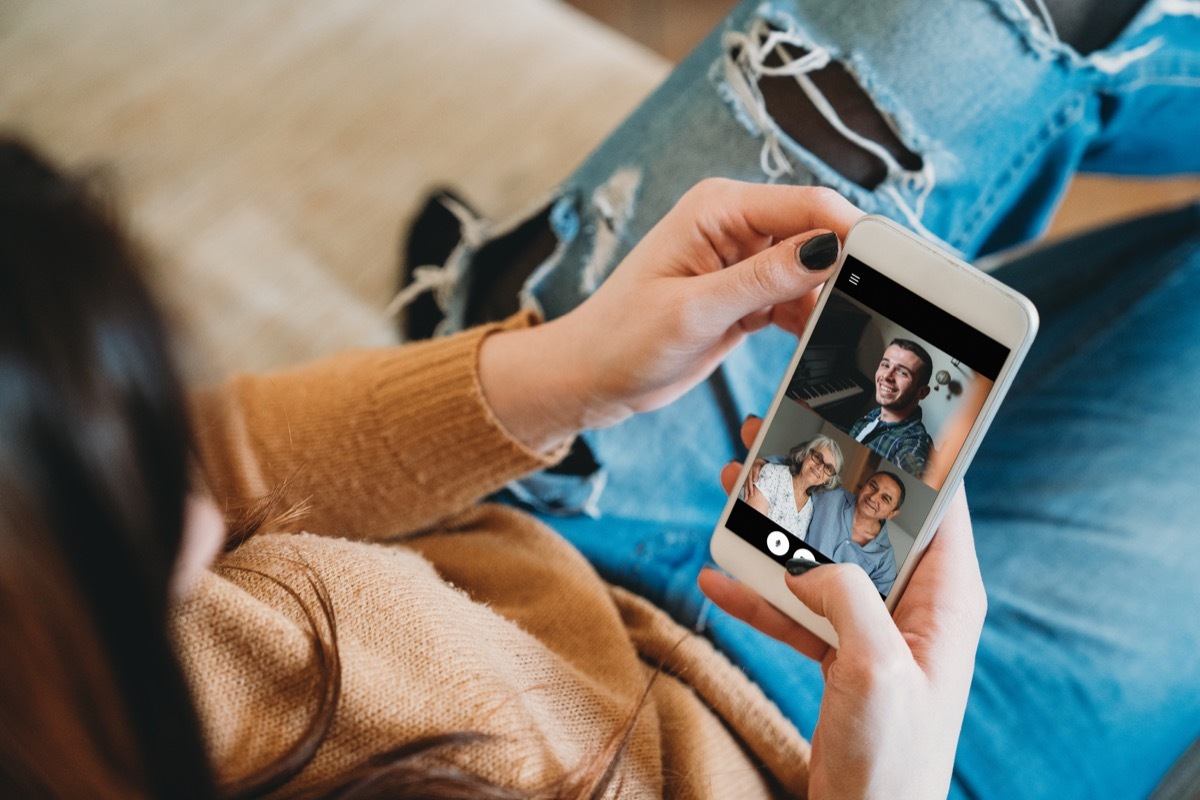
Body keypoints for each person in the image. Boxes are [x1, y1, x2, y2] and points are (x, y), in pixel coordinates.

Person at [0, 138, 985, 798]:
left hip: (559, 550)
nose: (202, 519)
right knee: (1131, 297)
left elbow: (225, 450)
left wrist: (565, 368)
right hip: (832, 746)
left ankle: (489, 300)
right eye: (125, 503)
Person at [394, 1, 1200, 797]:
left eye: (900, 379)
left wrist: (534, 377)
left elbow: (258, 454)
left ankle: (497, 308)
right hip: (899, 749)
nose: (888, 380)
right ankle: (496, 295)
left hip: (525, 529)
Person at [803, 471, 903, 595]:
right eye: (873, 486)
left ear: (892, 513)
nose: (873, 497)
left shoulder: (885, 559)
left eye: (885, 498)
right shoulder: (831, 495)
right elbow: (795, 473)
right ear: (865, 484)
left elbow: (876, 606)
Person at [847, 339, 934, 478]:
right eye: (885, 365)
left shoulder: (912, 442)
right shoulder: (876, 415)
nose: (887, 376)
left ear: (922, 392)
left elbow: (916, 472)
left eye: (902, 373)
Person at [742, 435, 843, 538]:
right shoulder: (771, 474)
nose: (820, 468)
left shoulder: (810, 510)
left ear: (828, 480)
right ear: (804, 454)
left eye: (828, 468)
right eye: (817, 457)